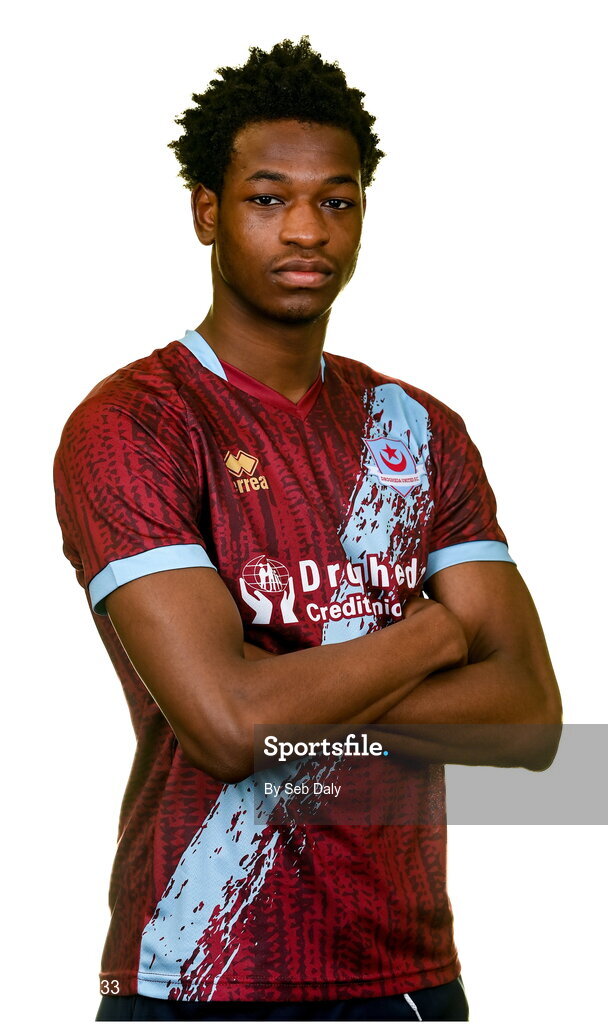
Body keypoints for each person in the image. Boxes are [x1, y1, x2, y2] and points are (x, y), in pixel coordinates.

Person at [53, 37, 562, 1023]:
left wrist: (281, 687)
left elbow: (531, 720)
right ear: (207, 211)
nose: (305, 229)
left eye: (336, 200)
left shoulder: (417, 430)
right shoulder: (135, 423)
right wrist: (434, 634)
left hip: (404, 976)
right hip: (198, 975)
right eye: (266, 197)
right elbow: (228, 729)